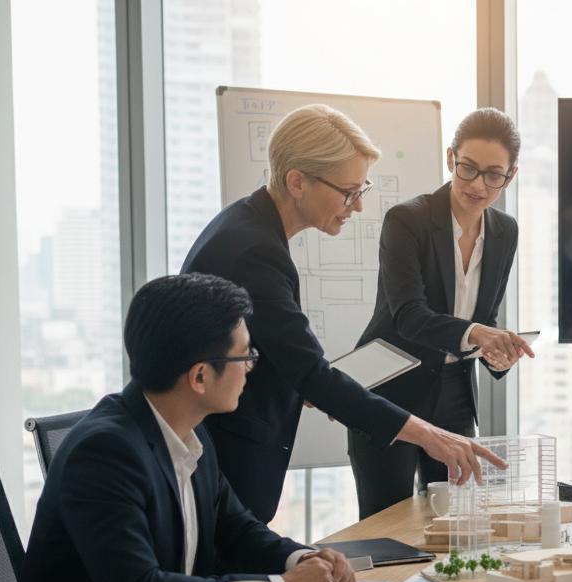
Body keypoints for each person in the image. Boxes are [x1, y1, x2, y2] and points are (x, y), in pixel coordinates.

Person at [0, 274, 356, 582]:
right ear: (200, 376)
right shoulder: (104, 454)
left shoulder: (191, 429)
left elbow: (235, 529)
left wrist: (303, 558)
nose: (252, 368)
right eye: (245, 356)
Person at [181, 104, 505, 523]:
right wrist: (429, 435)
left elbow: (286, 357)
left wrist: (317, 384)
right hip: (226, 457)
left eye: (361, 191)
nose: (356, 207)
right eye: (348, 192)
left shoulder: (246, 225)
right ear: (297, 182)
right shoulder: (253, 251)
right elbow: (309, 372)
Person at [348, 108, 534, 518]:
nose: (477, 184)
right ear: (450, 158)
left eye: (493, 175)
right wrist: (478, 334)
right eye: (467, 168)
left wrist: (496, 352)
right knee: (388, 524)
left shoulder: (505, 231)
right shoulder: (408, 220)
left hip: (454, 395)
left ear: (510, 176)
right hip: (392, 389)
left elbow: (486, 314)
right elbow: (409, 316)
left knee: (455, 523)